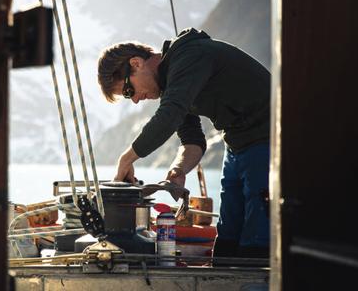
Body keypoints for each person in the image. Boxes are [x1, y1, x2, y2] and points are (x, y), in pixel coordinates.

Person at [97, 27, 270, 259]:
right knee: (227, 240)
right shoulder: (174, 82)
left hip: (269, 140)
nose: (136, 100)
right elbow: (192, 141)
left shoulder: (189, 56)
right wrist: (178, 170)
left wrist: (126, 159)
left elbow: (169, 116)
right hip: (238, 145)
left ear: (137, 63)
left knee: (255, 243)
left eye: (129, 90)